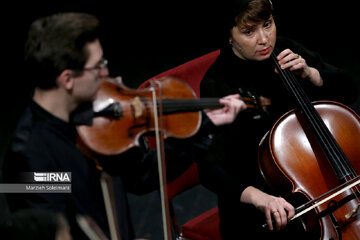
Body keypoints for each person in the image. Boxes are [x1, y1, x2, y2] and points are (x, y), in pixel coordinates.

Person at [1, 12, 246, 239]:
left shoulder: (95, 118)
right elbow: (60, 224)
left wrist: (201, 126)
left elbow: (141, 175)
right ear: (67, 79)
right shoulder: (27, 159)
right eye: (98, 66)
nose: (106, 72)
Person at [197, 0, 358, 239]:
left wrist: (311, 74)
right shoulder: (218, 83)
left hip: (324, 182)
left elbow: (349, 91)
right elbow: (209, 169)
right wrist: (260, 199)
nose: (264, 39)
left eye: (268, 24)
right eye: (249, 31)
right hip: (265, 207)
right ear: (229, 35)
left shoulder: (285, 49)